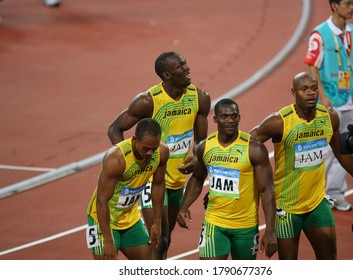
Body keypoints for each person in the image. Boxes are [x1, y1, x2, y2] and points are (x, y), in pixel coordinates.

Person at [249, 72, 353, 259]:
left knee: (329, 262)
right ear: (294, 92)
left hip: (317, 204)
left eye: (314, 88)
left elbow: (340, 154)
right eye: (304, 89)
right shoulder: (279, 122)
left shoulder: (329, 118)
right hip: (287, 208)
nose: (311, 93)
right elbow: (247, 143)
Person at [108, 51, 211, 259]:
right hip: (152, 179)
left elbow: (201, 141)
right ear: (166, 76)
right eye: (181, 67)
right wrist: (132, 162)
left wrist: (197, 156)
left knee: (166, 241)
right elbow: (115, 128)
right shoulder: (148, 101)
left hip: (177, 180)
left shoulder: (200, 98)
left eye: (186, 63)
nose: (187, 68)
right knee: (159, 239)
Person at [177, 98, 277, 260]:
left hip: (245, 227)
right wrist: (184, 206)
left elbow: (267, 190)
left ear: (239, 118)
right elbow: (197, 178)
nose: (230, 120)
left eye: (234, 116)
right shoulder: (205, 147)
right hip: (214, 223)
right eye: (224, 117)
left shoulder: (254, 149)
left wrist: (271, 230)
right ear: (215, 119)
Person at [304, 0, 353, 211]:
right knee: (325, 149)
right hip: (330, 101)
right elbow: (312, 65)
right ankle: (316, 196)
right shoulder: (320, 34)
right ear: (334, 5)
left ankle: (336, 194)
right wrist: (322, 96)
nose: (352, 8)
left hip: (349, 99)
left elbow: (352, 61)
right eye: (347, 4)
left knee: (345, 147)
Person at [86, 118, 169, 260]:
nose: (150, 153)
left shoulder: (161, 152)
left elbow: (158, 184)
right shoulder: (116, 159)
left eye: (153, 148)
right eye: (145, 148)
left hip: (130, 216)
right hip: (103, 219)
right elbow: (101, 200)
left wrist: (157, 222)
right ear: (135, 139)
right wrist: (107, 239)